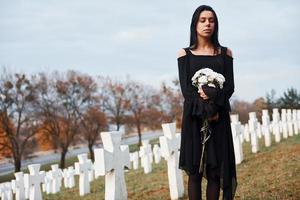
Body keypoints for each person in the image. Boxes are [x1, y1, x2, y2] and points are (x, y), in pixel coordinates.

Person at [177, 5, 238, 200]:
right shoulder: (184, 54)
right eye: (202, 20)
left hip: (219, 118)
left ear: (216, 24)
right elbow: (187, 90)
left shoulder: (225, 53)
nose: (207, 24)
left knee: (214, 172)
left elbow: (229, 87)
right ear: (195, 24)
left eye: (211, 20)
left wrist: (214, 106)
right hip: (194, 118)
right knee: (195, 173)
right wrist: (206, 112)